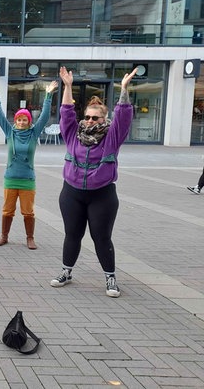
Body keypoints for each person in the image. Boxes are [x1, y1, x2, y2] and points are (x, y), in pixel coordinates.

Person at [50, 66, 138, 298]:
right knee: (72, 234)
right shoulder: (73, 134)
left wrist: (124, 89)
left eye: (95, 117)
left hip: (102, 195)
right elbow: (66, 111)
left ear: (104, 119)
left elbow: (124, 117)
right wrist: (67, 86)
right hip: (72, 193)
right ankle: (66, 272)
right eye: (87, 117)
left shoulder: (111, 137)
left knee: (101, 237)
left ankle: (110, 277)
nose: (89, 121)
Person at [0, 81, 58, 250]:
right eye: (19, 119)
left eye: (24, 120)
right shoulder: (10, 132)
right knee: (7, 211)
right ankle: (4, 236)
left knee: (28, 212)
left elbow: (44, 116)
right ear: (16, 120)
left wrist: (48, 95)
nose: (21, 122)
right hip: (10, 179)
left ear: (28, 121)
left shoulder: (34, 134)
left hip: (27, 180)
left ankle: (30, 238)